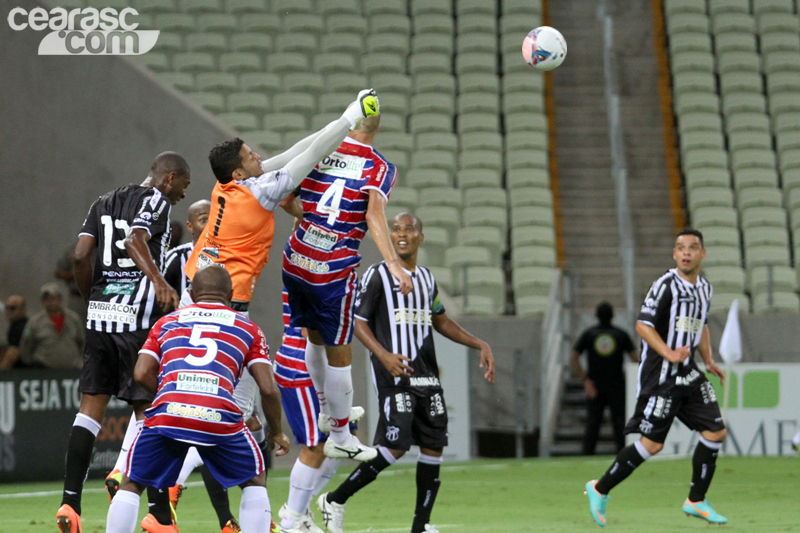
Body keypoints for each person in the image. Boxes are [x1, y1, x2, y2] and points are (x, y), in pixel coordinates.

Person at [317, 213, 496, 533]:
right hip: (394, 373)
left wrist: (478, 343)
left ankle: (420, 526)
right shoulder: (377, 275)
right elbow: (358, 321)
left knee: (433, 446)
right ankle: (335, 499)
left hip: (427, 375)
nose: (401, 234)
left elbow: (441, 320)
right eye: (396, 229)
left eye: (409, 229)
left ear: (420, 237)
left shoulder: (427, 279)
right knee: (395, 446)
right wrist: (383, 355)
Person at [56, 151, 191, 533]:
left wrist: (93, 299)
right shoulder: (157, 200)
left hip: (101, 316)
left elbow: (81, 256)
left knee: (89, 411)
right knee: (151, 413)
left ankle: (70, 503)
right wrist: (159, 281)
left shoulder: (102, 201)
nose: (182, 194)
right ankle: (159, 513)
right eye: (184, 185)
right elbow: (135, 239)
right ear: (169, 177)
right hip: (138, 321)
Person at [104, 265, 290, 533]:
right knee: (254, 480)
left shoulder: (166, 322)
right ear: (231, 295)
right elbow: (269, 389)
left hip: (168, 414)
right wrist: (277, 431)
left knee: (132, 483)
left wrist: (172, 395)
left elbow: (141, 372)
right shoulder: (248, 328)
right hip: (218, 416)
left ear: (191, 294)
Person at [282, 107, 413, 463]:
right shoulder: (380, 166)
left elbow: (285, 197)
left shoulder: (322, 149)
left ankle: (327, 411)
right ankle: (340, 436)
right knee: (340, 352)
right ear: (377, 128)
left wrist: (311, 218)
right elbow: (374, 214)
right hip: (332, 267)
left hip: (296, 258)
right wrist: (393, 264)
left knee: (313, 336)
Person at [585, 228, 728, 527]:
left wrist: (708, 360)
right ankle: (599, 488)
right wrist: (669, 353)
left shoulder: (705, 288)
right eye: (680, 247)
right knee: (652, 445)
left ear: (702, 253)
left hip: (688, 373)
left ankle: (696, 500)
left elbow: (700, 325)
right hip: (661, 376)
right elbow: (642, 325)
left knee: (715, 431)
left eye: (692, 247)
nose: (686, 252)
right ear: (674, 254)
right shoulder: (665, 285)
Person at [274, 286, 363, 533]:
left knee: (345, 440)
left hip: (322, 368)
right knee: (317, 446)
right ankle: (292, 521)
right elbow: (311, 330)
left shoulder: (331, 272)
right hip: (302, 367)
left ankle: (298, 508)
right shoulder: (315, 274)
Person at [570, 302, 638, 455]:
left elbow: (574, 357)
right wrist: (628, 376)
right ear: (613, 316)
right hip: (617, 385)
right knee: (619, 423)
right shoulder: (620, 334)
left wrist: (585, 379)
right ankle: (623, 455)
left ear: (596, 316)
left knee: (593, 424)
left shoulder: (589, 334)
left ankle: (587, 455)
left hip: (594, 385)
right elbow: (635, 358)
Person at [18, 283, 83, 369]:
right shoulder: (35, 322)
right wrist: (30, 364)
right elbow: (26, 344)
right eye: (46, 299)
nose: (50, 302)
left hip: (72, 368)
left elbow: (82, 342)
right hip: (43, 368)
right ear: (42, 302)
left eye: (53, 298)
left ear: (60, 299)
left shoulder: (74, 319)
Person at [163, 200, 211, 298]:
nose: (211, 225)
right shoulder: (176, 256)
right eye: (203, 220)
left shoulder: (230, 255)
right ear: (190, 227)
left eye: (215, 219)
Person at [0, 295, 28, 370]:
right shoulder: (16, 325)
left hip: (23, 371)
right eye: (6, 308)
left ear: (23, 309)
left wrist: (2, 371)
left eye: (13, 308)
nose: (8, 311)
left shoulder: (20, 328)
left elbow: (12, 354)